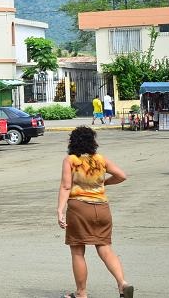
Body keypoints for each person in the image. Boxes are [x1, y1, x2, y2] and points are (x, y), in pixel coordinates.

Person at [57, 126, 133, 298]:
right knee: (105, 247)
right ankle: (122, 283)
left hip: (79, 208)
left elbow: (66, 186)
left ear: (73, 142)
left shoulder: (70, 160)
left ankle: (81, 293)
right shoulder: (101, 159)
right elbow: (122, 175)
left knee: (77, 251)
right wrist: (104, 183)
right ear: (92, 142)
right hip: (102, 208)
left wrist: (60, 210)